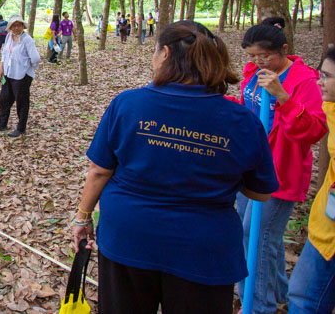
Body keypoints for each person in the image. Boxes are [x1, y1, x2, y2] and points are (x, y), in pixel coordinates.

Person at [73, 20, 278, 314]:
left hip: (132, 236)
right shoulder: (242, 120)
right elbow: (260, 192)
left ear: (165, 54)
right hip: (203, 246)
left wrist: (82, 219)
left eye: (155, 52)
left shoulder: (129, 104)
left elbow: (100, 170)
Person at [236, 20, 327, 314]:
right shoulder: (254, 71)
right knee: (254, 233)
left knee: (258, 237)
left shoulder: (304, 80)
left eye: (265, 56)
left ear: (284, 50)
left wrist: (283, 97)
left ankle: (259, 306)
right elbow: (248, 104)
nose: (258, 62)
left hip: (279, 174)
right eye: (252, 56)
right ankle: (278, 295)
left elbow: (314, 130)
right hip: (248, 167)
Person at [288, 47, 335, 313]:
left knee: (306, 300)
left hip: (329, 237)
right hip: (324, 226)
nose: (320, 81)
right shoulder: (331, 107)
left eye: (327, 76)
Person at [0, 14, 40, 138]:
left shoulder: (27, 39)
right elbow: (5, 54)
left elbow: (36, 58)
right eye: (14, 25)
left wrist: (27, 69)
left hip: (22, 76)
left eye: (19, 25)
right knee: (4, 99)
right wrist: (1, 68)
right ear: (10, 27)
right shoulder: (9, 37)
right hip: (8, 73)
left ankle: (21, 128)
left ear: (23, 26)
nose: (16, 28)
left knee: (22, 102)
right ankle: (2, 123)